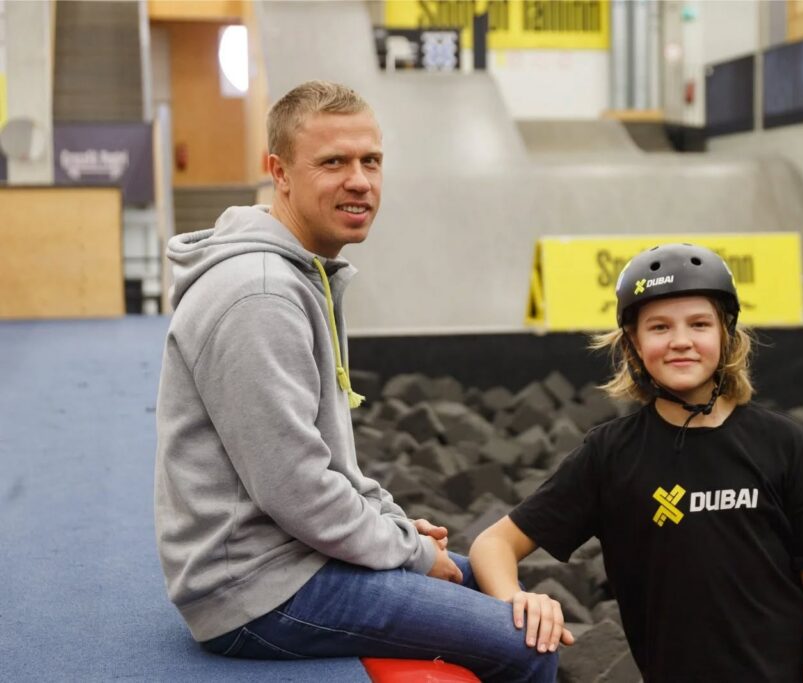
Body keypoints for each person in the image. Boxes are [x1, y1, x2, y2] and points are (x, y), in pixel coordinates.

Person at [154, 80, 556, 682]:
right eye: (333, 162)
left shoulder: (303, 273)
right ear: (279, 172)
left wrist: (394, 528)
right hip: (257, 590)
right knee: (524, 646)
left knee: (483, 578)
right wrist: (412, 553)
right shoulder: (260, 295)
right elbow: (295, 488)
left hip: (291, 556)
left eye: (371, 161)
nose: (361, 180)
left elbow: (327, 461)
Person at [470, 243, 803, 682]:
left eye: (699, 324)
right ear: (633, 343)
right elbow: (493, 545)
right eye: (659, 327)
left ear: (726, 334)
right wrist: (516, 598)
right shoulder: (610, 456)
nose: (680, 341)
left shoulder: (783, 445)